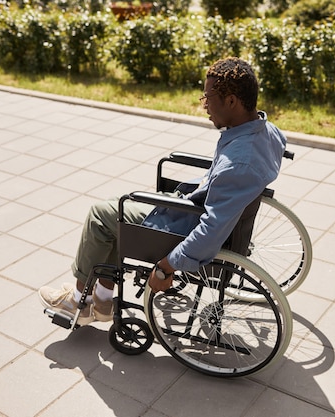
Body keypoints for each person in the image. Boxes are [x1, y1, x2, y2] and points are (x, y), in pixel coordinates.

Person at [38, 57, 288, 325]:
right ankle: (100, 299)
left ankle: (80, 300)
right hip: (199, 208)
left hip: (185, 227)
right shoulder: (267, 131)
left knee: (101, 215)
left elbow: (211, 230)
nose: (204, 105)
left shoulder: (239, 163)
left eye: (209, 97)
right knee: (114, 207)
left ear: (231, 102)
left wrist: (166, 266)